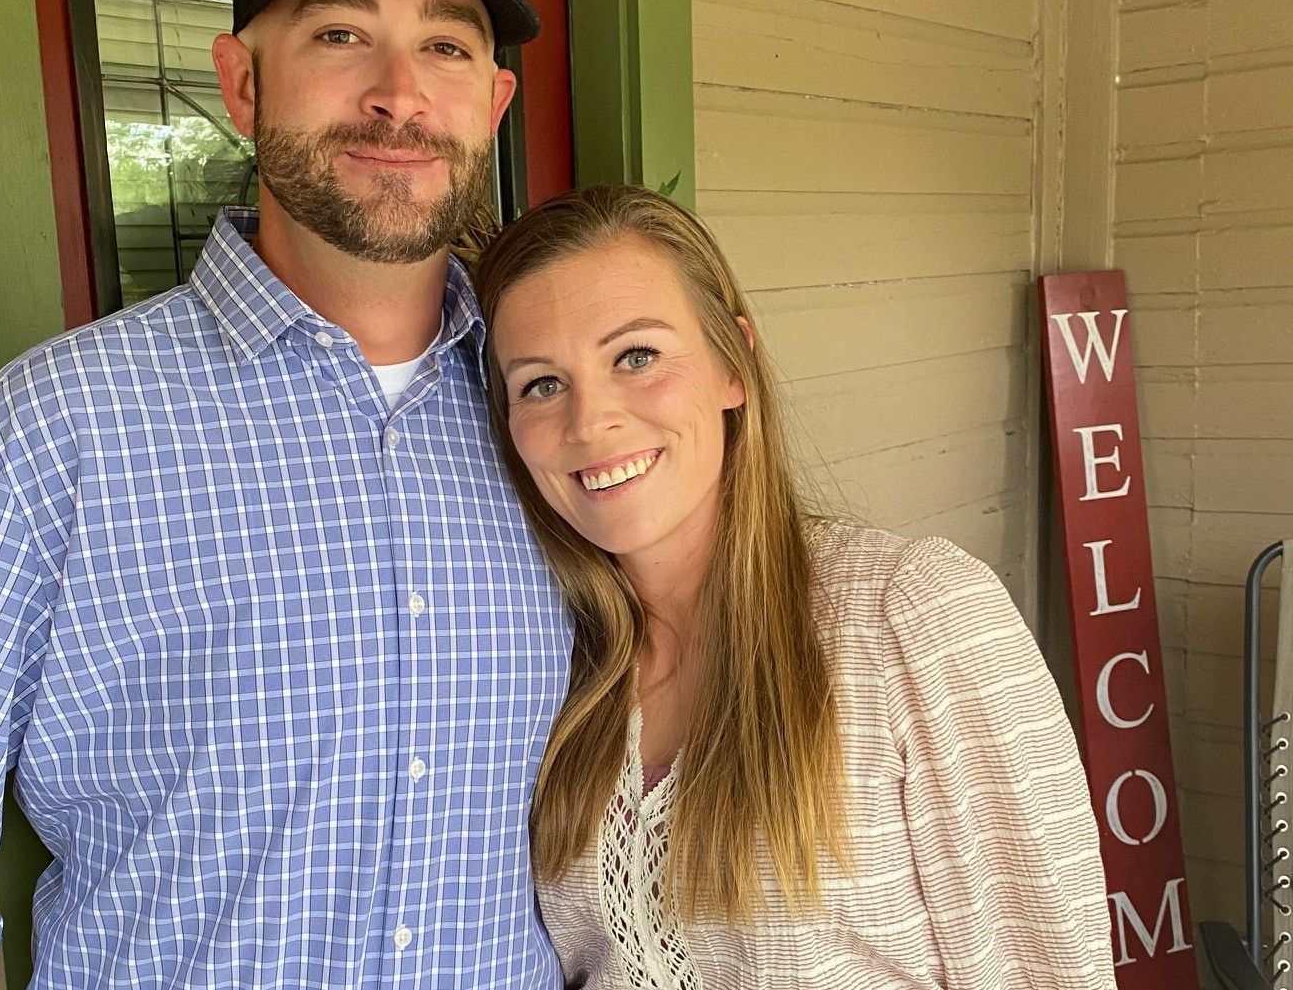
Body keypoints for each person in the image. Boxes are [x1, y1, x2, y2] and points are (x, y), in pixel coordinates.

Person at [0, 0, 572, 989]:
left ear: (492, 102)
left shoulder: (553, 425)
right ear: (242, 82)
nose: (399, 93)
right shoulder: (46, 433)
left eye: (446, 45)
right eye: (340, 33)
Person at [472, 183, 1115, 989]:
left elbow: (1051, 967)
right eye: (540, 383)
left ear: (732, 364)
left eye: (635, 356)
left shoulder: (910, 613)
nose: (590, 419)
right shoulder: (556, 667)